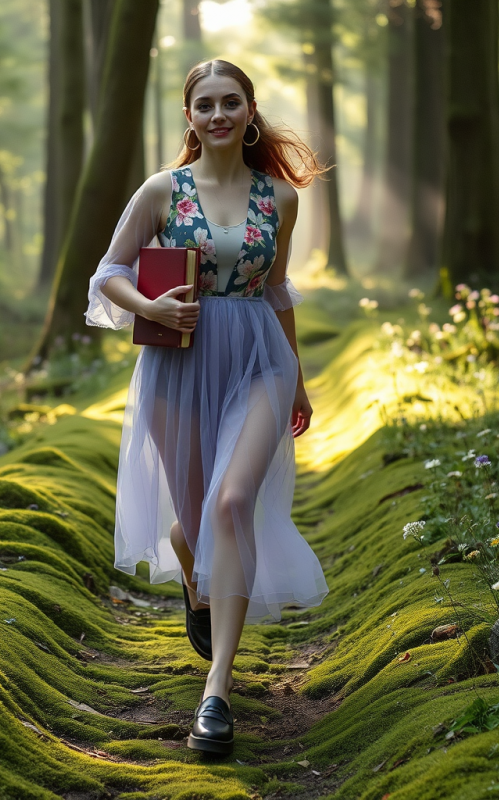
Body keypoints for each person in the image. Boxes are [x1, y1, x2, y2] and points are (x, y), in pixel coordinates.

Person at [84, 59, 329, 755]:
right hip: (176, 365)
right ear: (188, 117)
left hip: (258, 362)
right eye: (205, 105)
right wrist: (149, 303)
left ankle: (216, 691)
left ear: (251, 111)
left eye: (231, 102)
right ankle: (190, 558)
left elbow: (277, 291)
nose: (218, 115)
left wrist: (299, 379)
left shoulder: (280, 198)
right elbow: (108, 274)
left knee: (231, 505)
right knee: (195, 523)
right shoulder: (163, 191)